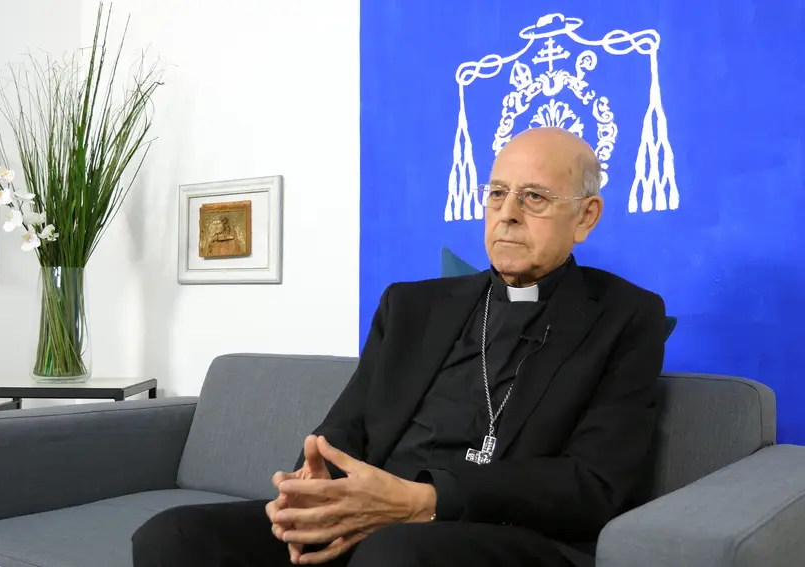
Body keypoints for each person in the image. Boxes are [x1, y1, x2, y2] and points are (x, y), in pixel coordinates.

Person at [131, 127, 667, 567]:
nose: (507, 213)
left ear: (587, 216)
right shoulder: (412, 306)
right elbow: (350, 422)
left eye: (534, 197)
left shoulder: (623, 317)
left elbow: (592, 484)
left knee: (392, 555)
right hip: (371, 518)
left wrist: (428, 499)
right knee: (174, 536)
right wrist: (315, 478)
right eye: (498, 193)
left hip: (497, 532)